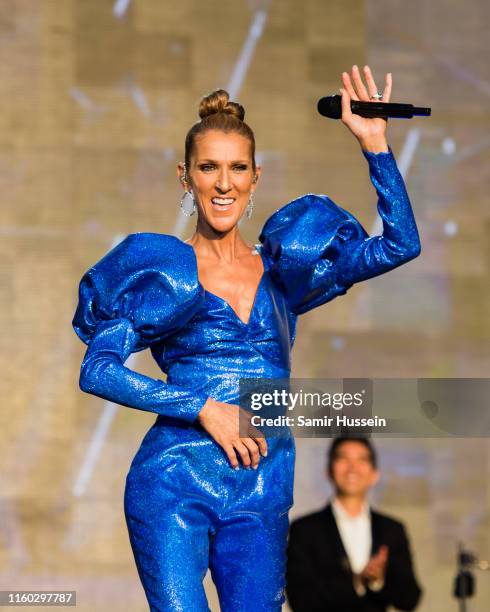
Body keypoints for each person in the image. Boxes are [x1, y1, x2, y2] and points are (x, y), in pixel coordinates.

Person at [72, 65, 421, 611]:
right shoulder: (162, 272)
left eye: (237, 168)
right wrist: (204, 407)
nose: (224, 182)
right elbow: (96, 369)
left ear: (256, 177)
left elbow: (400, 245)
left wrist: (375, 144)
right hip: (173, 483)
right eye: (208, 168)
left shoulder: (285, 273)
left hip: (262, 489)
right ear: (185, 177)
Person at [286, 437, 422, 611]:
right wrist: (357, 581)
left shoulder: (392, 530)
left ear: (374, 475)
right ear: (328, 471)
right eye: (343, 458)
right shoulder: (305, 529)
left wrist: (378, 581)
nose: (352, 468)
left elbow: (410, 598)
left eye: (362, 460)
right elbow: (300, 600)